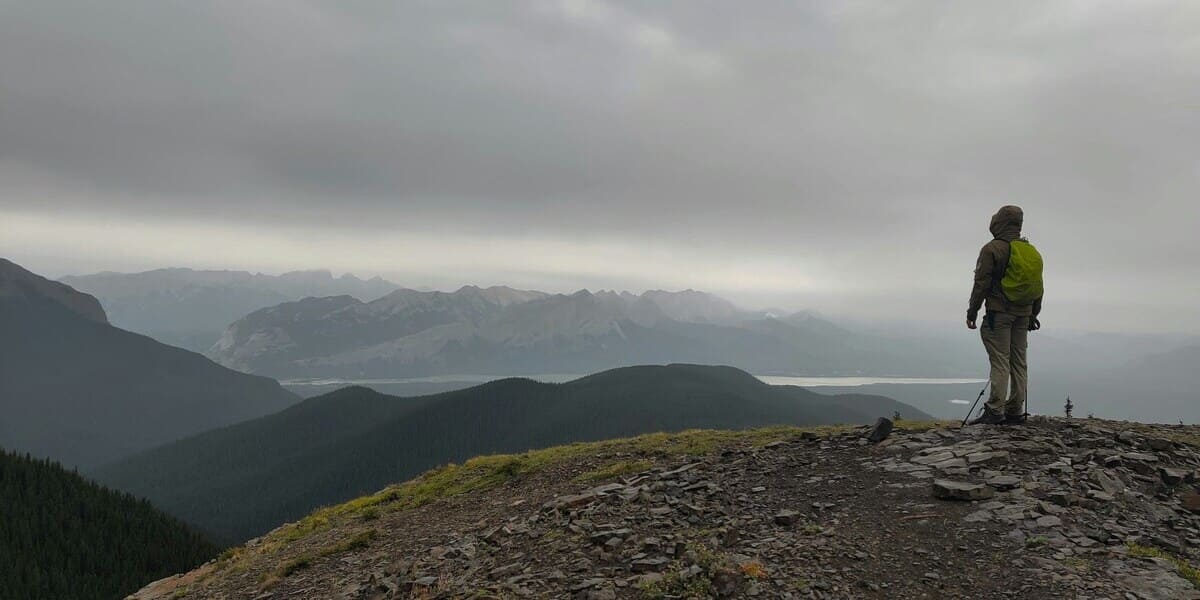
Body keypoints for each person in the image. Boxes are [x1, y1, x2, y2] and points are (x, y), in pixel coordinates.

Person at [967, 205, 1043, 425]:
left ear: (998, 222)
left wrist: (972, 311)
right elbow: (1039, 288)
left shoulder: (992, 249)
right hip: (1024, 314)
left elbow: (981, 284)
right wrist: (1032, 314)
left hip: (999, 314)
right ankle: (1015, 410)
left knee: (1000, 361)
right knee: (1019, 362)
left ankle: (994, 410)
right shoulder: (1031, 252)